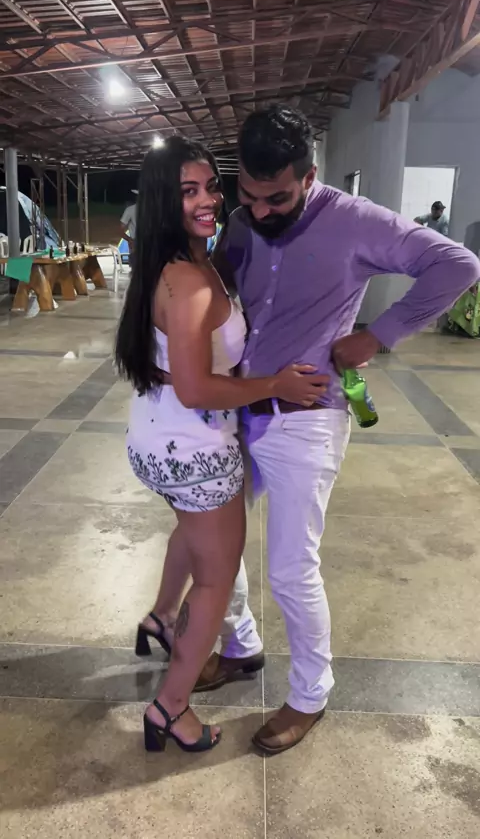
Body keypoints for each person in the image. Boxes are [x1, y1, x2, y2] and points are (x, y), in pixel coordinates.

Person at [147, 107, 480, 756]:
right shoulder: (240, 224)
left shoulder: (358, 221)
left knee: (291, 567)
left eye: (277, 198)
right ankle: (240, 646)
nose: (260, 211)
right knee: (212, 546)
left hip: (309, 414)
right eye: (248, 195)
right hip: (238, 409)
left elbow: (457, 264)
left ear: (310, 175)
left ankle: (310, 693)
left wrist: (377, 336)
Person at [115, 135, 329, 755]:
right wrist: (275, 386)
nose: (208, 200)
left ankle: (161, 617)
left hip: (159, 438)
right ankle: (171, 708)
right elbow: (196, 388)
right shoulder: (187, 280)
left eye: (211, 185)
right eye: (189, 191)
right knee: (215, 581)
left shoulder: (178, 260)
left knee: (192, 537)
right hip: (194, 450)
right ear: (164, 200)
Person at [120, 190, 138, 254]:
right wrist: (130, 240)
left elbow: (120, 230)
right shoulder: (153, 209)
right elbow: (121, 230)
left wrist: (129, 240)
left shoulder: (130, 210)